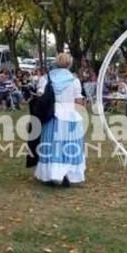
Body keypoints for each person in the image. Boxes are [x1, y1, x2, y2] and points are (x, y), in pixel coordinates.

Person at [34, 52, 86, 186]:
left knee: (51, 145)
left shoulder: (46, 78)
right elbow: (78, 100)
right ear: (69, 64)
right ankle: (69, 174)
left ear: (56, 63)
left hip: (52, 115)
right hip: (70, 116)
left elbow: (40, 96)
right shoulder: (74, 80)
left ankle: (51, 174)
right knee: (70, 146)